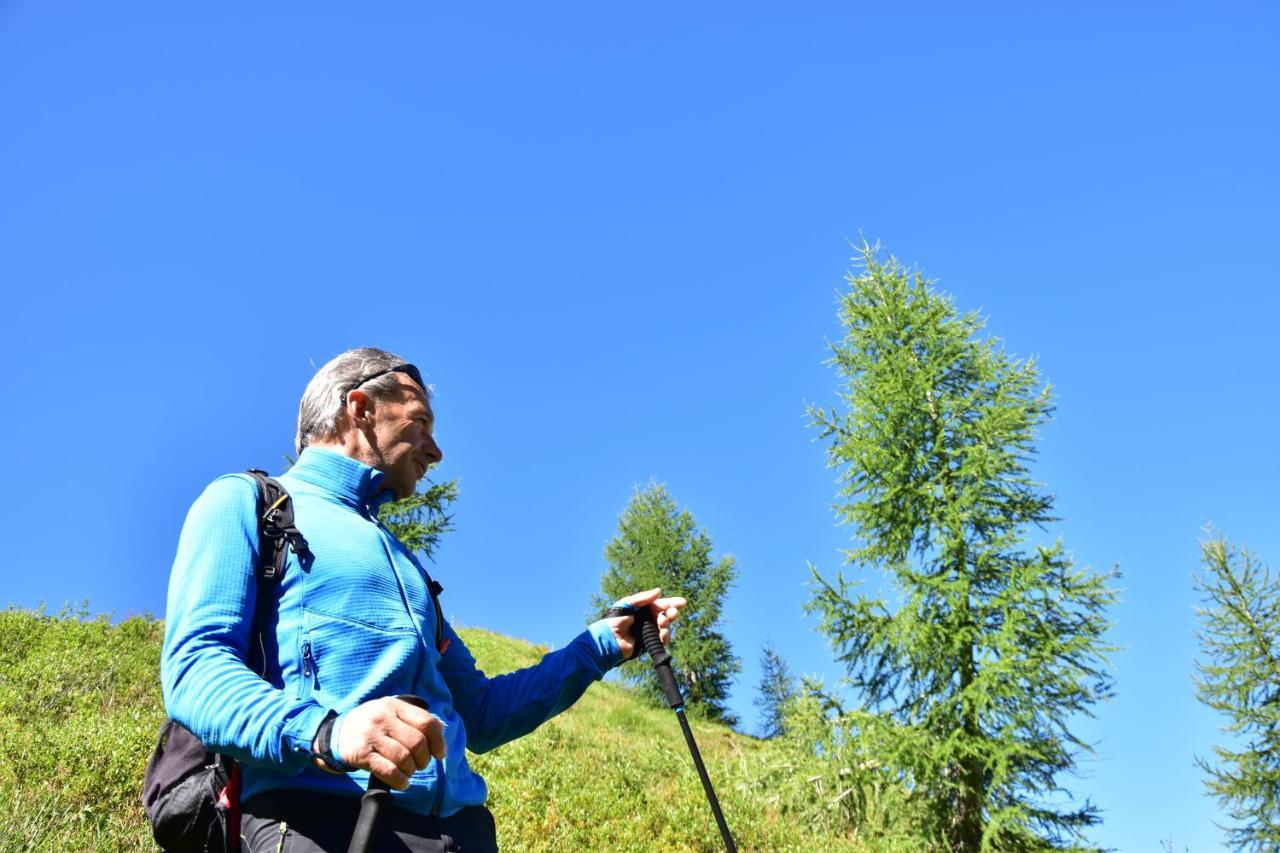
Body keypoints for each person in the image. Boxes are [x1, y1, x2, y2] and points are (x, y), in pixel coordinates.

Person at [161, 347, 686, 852]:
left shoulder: (406, 565)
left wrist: (599, 646)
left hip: (464, 835)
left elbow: (478, 713)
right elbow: (195, 668)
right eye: (422, 423)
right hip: (320, 819)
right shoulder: (248, 504)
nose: (436, 451)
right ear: (361, 407)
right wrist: (328, 732)